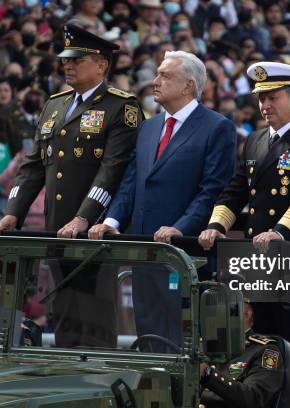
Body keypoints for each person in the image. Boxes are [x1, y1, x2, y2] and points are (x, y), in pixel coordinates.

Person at [198, 61, 290, 404]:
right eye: (261, 98)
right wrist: (217, 225)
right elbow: (236, 190)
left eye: (272, 97)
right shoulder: (255, 141)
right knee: (261, 338)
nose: (265, 105)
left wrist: (280, 232)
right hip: (258, 260)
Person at [88, 50, 236, 350]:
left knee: (183, 343)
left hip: (185, 257)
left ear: (189, 86)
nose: (154, 81)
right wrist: (111, 221)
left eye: (165, 76)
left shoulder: (217, 127)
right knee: (150, 340)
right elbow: (131, 183)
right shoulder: (149, 126)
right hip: (145, 254)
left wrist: (180, 228)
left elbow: (212, 190)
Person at [0, 24, 142, 236]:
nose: (67, 66)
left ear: (101, 66)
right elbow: (32, 166)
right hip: (55, 224)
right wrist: (13, 213)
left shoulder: (120, 106)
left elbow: (112, 170)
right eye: (66, 60)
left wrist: (85, 217)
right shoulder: (55, 105)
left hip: (97, 228)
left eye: (77, 60)